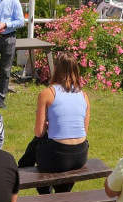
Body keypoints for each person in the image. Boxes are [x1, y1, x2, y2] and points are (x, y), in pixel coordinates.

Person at [21, 52, 90, 193]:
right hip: (80, 155)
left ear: (56, 68)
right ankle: (61, 194)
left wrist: (48, 125)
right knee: (46, 148)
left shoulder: (47, 94)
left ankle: (23, 171)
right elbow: (83, 130)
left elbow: (39, 132)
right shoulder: (84, 95)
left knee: (36, 143)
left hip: (57, 156)